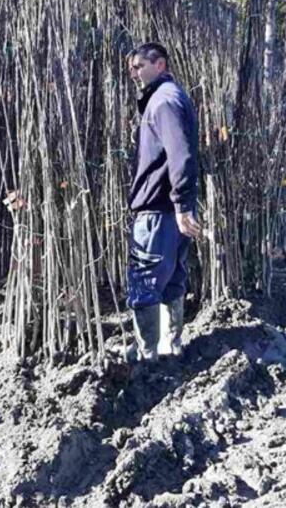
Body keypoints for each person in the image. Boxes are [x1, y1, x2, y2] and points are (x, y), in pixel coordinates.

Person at [126, 42, 201, 362]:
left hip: (159, 210)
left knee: (145, 278)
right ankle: (171, 345)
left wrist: (183, 206)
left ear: (160, 64)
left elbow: (180, 155)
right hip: (170, 208)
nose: (134, 73)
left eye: (139, 66)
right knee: (172, 278)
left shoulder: (164, 101)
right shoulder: (169, 97)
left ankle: (148, 354)